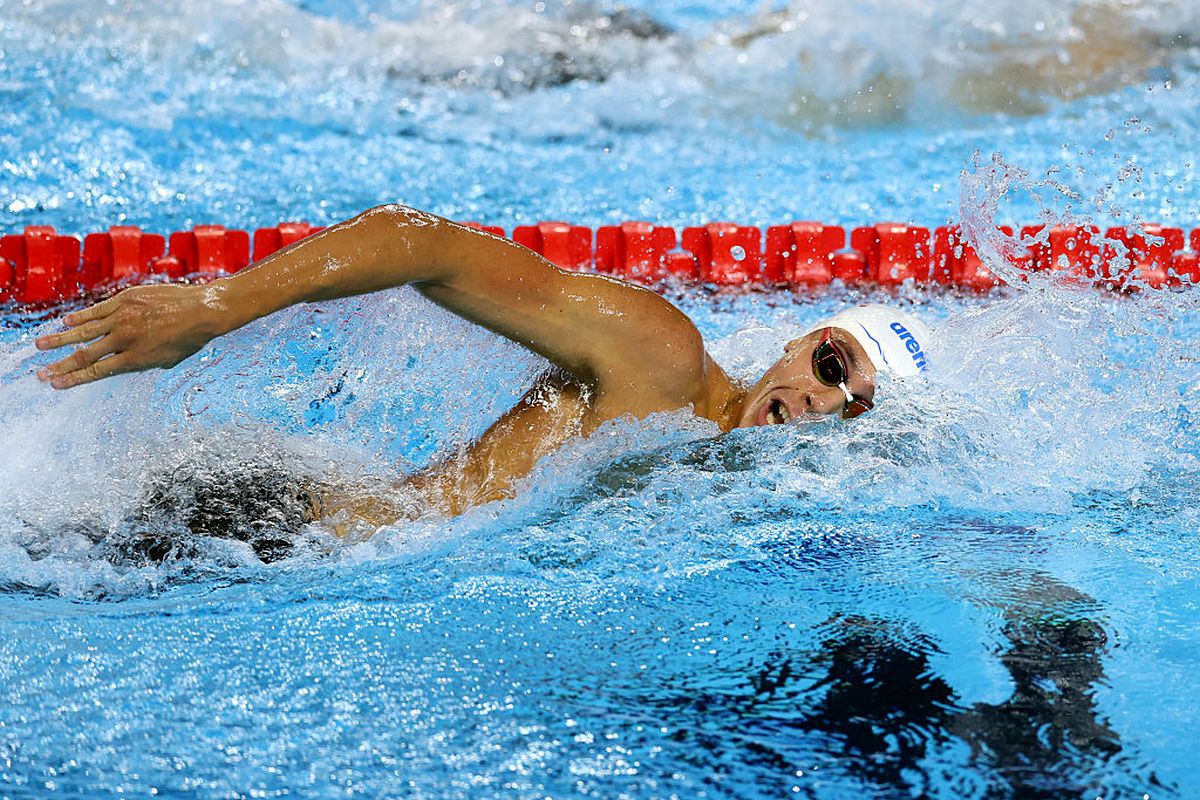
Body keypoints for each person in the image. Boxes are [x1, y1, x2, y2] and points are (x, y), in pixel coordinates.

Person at [33, 204, 932, 527]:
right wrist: (214, 306)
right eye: (831, 363)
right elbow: (421, 242)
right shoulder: (662, 358)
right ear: (798, 340)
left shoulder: (735, 491)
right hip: (271, 529)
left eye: (853, 405)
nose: (820, 401)